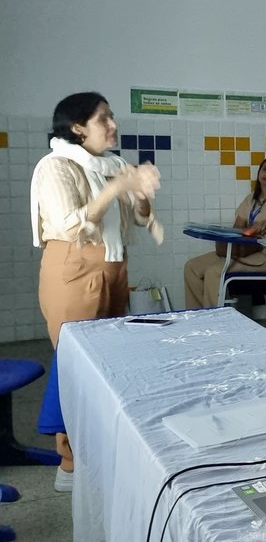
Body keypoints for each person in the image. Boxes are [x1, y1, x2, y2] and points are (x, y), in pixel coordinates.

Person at [31, 92, 163, 492]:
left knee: (109, 369)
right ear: (77, 127)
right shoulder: (55, 166)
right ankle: (68, 466)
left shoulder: (113, 164)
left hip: (113, 268)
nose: (113, 125)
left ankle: (99, 450)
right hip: (72, 271)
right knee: (75, 369)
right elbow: (71, 225)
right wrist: (117, 186)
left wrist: (140, 194)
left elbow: (141, 221)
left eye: (112, 117)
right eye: (103, 119)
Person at [183, 156, 266, 308]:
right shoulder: (251, 199)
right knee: (191, 267)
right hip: (247, 251)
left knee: (214, 272)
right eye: (264, 169)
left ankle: (213, 323)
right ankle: (197, 317)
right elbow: (237, 228)